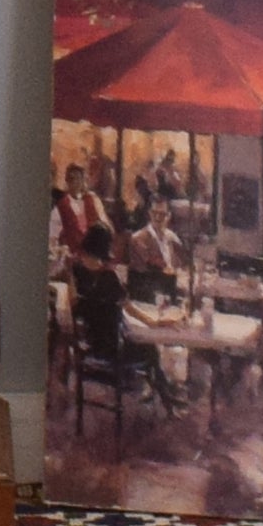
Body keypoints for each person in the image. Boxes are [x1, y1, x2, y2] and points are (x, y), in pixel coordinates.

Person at [71, 223, 182, 415]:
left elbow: (74, 305)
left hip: (91, 346)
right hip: (115, 351)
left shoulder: (76, 272)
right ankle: (168, 403)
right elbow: (131, 310)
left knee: (140, 346)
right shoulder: (109, 278)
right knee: (151, 351)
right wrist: (156, 322)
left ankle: (165, 398)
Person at [126, 197, 184, 302]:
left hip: (169, 299)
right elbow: (153, 266)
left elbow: (180, 266)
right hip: (145, 300)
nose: (157, 217)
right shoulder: (138, 238)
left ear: (169, 215)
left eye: (162, 214)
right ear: (149, 213)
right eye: (154, 213)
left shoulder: (174, 239)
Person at [49, 164, 112, 259]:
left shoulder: (91, 199)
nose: (76, 182)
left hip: (96, 252)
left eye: (79, 179)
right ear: (67, 181)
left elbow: (104, 222)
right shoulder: (61, 207)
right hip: (74, 255)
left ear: (83, 181)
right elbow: (53, 236)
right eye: (72, 179)